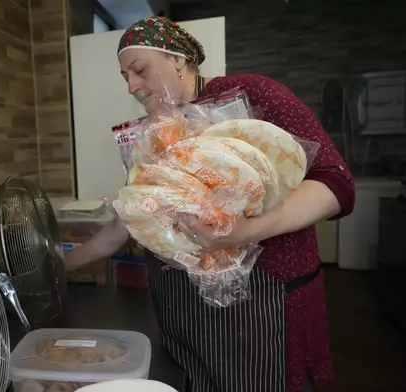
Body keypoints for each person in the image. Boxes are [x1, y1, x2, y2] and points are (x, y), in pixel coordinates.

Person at [65, 16, 355, 392]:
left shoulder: (250, 94)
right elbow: (131, 219)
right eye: (125, 77)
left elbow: (336, 184)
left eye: (139, 70)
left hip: (260, 306)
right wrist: (62, 263)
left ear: (179, 60)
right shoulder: (153, 135)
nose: (133, 86)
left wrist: (246, 230)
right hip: (183, 311)